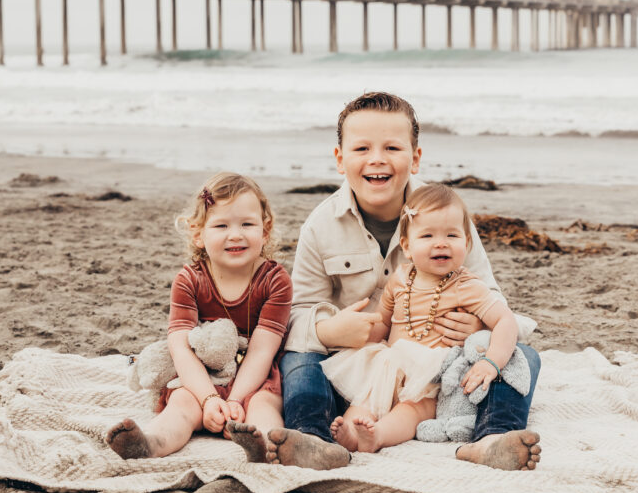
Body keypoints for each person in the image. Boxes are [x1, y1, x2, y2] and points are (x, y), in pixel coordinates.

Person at [265, 91, 542, 471]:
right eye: (361, 148)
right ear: (340, 158)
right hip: (359, 368)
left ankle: (493, 438)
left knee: (522, 356)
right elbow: (295, 316)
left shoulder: (446, 216)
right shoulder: (321, 224)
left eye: (392, 148)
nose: (377, 159)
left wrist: (477, 323)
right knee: (298, 359)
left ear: (415, 158)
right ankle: (312, 438)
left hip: (440, 371)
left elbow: (491, 295)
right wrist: (331, 331)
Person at [106, 172, 292, 463]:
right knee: (182, 403)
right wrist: (208, 399)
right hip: (205, 371)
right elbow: (180, 346)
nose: (236, 234)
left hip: (257, 374)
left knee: (265, 404)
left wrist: (233, 400)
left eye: (247, 224)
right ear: (198, 233)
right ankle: (151, 443)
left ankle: (263, 446)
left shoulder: (275, 280)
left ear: (264, 230)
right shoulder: (190, 279)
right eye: (221, 225)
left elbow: (262, 350)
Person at [322, 182, 521, 453]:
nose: (441, 243)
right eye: (427, 236)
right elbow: (383, 322)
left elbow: (505, 320)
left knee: (412, 410)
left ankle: (377, 436)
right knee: (366, 397)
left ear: (467, 242)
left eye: (452, 235)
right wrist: (361, 329)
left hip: (431, 375)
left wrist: (491, 362)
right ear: (406, 245)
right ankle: (350, 432)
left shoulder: (466, 286)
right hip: (390, 365)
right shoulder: (401, 278)